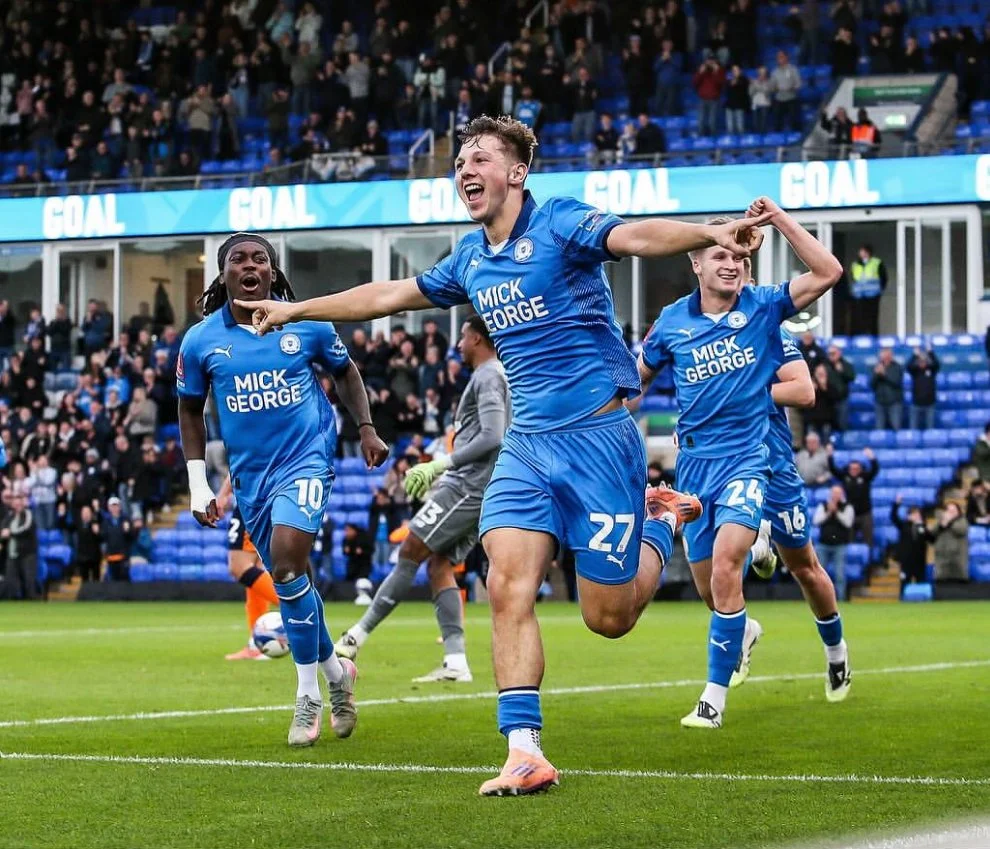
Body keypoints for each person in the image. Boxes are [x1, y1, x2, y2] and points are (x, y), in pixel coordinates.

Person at [234, 115, 766, 795]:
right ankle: (524, 750)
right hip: (527, 448)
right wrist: (297, 308)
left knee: (609, 618)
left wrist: (711, 232)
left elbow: (634, 237)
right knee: (508, 584)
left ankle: (663, 520)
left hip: (600, 443)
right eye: (458, 161)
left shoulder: (563, 223)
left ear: (516, 172)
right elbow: (390, 294)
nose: (463, 170)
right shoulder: (469, 257)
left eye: (478, 158)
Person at [637, 196, 843, 729]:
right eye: (720, 254)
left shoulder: (764, 309)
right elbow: (633, 383)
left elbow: (828, 271)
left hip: (751, 460)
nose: (731, 264)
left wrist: (775, 219)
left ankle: (713, 699)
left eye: (740, 258)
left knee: (739, 562)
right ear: (696, 262)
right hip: (695, 470)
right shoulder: (670, 323)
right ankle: (743, 628)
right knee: (714, 591)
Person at [178, 232, 389, 748]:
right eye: (238, 259)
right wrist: (196, 483)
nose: (250, 266)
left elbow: (346, 372)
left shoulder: (308, 324)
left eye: (260, 259)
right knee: (296, 584)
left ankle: (307, 695)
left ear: (272, 274)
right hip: (252, 480)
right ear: (223, 274)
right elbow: (188, 409)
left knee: (290, 563)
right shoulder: (202, 341)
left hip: (307, 462)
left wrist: (365, 427)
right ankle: (338, 676)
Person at [336, 316, 510, 683]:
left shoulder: (489, 374)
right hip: (474, 485)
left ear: (477, 338)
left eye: (462, 338)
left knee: (411, 549)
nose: (459, 346)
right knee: (439, 566)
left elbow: (493, 436)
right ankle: (456, 662)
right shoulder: (488, 375)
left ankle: (356, 637)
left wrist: (439, 464)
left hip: (469, 486)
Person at [728, 304, 852, 701]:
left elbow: (803, 390)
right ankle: (742, 625)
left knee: (804, 567)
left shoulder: (769, 333)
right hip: (722, 464)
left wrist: (740, 390)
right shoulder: (690, 331)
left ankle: (836, 653)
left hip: (773, 465)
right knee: (711, 564)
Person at [218, 478, 281, 661]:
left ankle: (299, 606)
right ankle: (256, 644)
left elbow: (242, 459)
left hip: (252, 499)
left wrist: (223, 494)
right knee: (256, 569)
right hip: (269, 497)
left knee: (239, 567)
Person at [828, 446, 879, 548]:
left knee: (868, 540)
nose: (854, 470)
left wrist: (872, 458)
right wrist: (830, 456)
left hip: (865, 513)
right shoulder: (845, 476)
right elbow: (833, 470)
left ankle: (869, 561)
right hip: (850, 513)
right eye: (852, 468)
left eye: (856, 468)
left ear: (860, 468)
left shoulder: (865, 477)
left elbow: (875, 470)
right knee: (849, 539)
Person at [813, 485, 854, 602]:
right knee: (820, 574)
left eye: (838, 493)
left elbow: (848, 523)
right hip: (824, 544)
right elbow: (816, 521)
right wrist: (828, 513)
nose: (836, 496)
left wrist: (837, 513)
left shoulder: (847, 507)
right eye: (834, 493)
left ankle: (840, 599)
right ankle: (819, 599)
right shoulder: (823, 505)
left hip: (840, 545)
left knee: (840, 574)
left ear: (842, 495)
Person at [1, 492, 37, 599]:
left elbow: (25, 529)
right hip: (12, 555)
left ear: (22, 504)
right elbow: (3, 529)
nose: (17, 506)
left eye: (19, 504)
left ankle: (32, 606)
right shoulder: (9, 517)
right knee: (10, 581)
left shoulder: (28, 514)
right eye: (15, 504)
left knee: (29, 582)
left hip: (27, 554)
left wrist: (10, 533)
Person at [891, 495, 932, 586]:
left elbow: (931, 539)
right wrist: (896, 504)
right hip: (906, 561)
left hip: (919, 561)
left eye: (917, 514)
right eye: (913, 514)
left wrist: (923, 527)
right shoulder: (904, 526)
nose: (915, 516)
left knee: (920, 582)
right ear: (908, 516)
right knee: (905, 583)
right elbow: (894, 517)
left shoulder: (923, 528)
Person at [849, 245, 888, 337]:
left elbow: (884, 277)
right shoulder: (855, 264)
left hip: (873, 294)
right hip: (860, 295)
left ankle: (873, 335)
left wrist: (880, 290)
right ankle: (862, 334)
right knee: (860, 316)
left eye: (863, 252)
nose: (861, 254)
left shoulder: (876, 263)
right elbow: (853, 278)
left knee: (873, 316)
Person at [933, 502, 968, 582]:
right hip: (942, 556)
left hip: (958, 557)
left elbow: (961, 530)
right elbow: (933, 533)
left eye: (953, 511)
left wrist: (949, 522)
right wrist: (941, 525)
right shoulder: (941, 521)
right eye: (949, 511)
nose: (951, 513)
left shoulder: (962, 520)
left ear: (958, 512)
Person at [907, 347, 939, 431]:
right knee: (913, 430)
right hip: (916, 404)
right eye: (920, 361)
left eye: (924, 360)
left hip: (930, 404)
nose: (922, 362)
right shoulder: (915, 371)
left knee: (930, 430)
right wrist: (914, 355)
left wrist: (931, 352)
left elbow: (937, 364)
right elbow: (908, 366)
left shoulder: (931, 370)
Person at [871, 347, 904, 431]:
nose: (882, 358)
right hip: (880, 402)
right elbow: (872, 385)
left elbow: (896, 382)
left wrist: (884, 374)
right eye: (882, 356)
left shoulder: (897, 367)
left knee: (896, 427)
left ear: (890, 356)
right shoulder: (877, 367)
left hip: (894, 403)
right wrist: (876, 375)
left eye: (885, 356)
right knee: (879, 429)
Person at [826, 344, 856, 431]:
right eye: (830, 353)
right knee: (829, 426)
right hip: (828, 400)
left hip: (842, 399)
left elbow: (852, 377)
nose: (831, 355)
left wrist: (842, 371)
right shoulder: (825, 365)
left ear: (839, 353)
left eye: (833, 353)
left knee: (842, 424)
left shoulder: (846, 365)